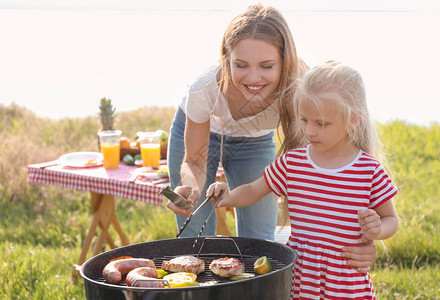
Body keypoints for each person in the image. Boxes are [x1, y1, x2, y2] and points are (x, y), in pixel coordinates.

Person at [166, 4, 379, 270]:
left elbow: (325, 172)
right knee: (192, 239)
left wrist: (365, 239)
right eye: (240, 65)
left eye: (266, 66)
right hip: (203, 135)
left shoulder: (300, 86)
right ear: (226, 58)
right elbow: (194, 161)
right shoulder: (204, 88)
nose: (253, 77)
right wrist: (189, 186)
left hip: (254, 142)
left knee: (259, 243)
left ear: (284, 61)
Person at [207, 61, 399, 299]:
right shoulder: (293, 162)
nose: (309, 131)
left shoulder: (368, 171)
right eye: (304, 120)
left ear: (353, 120)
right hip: (301, 279)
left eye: (321, 123)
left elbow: (391, 218)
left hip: (346, 284)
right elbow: (254, 189)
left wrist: (378, 229)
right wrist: (228, 197)